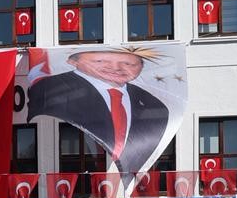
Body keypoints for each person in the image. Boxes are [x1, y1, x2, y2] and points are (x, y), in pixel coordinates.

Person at [25, 47, 170, 179]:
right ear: (73, 61)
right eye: (100, 61)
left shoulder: (155, 106)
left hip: (131, 189)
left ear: (141, 67)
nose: (116, 68)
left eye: (128, 64)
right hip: (79, 184)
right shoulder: (49, 90)